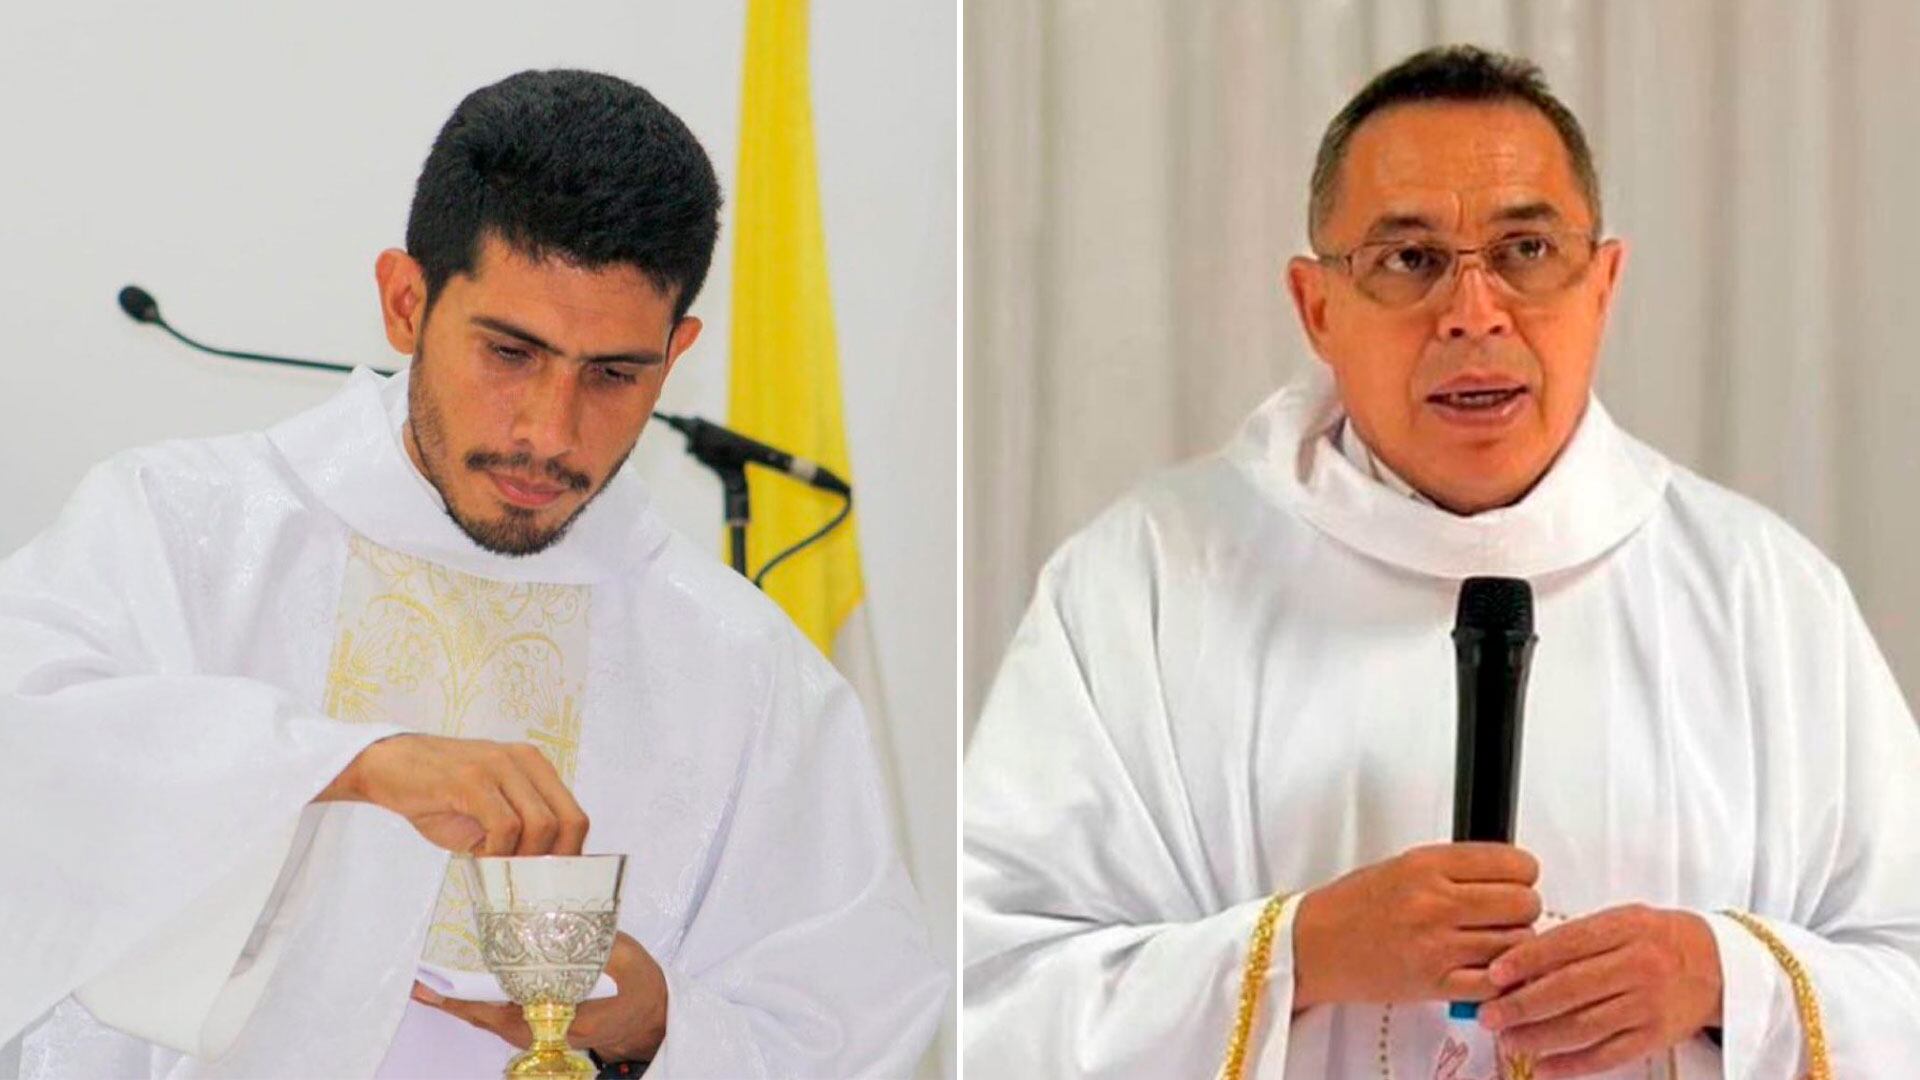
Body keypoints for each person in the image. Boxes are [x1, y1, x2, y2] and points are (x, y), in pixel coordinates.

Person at [964, 44, 1920, 1078]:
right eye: (1410, 260)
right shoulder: (1139, 589)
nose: (1474, 311)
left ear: (1604, 284)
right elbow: (991, 992)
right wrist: (1303, 952)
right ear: (1317, 307)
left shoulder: (1762, 598)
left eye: (1527, 250)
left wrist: (1719, 977)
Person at [0, 68, 943, 1079]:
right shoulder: (175, 531)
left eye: (615, 374)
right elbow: (28, 756)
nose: (550, 431)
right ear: (406, 303)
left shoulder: (749, 672)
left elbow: (856, 1017)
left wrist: (657, 1024)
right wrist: (349, 765)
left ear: (678, 357)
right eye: (510, 352)